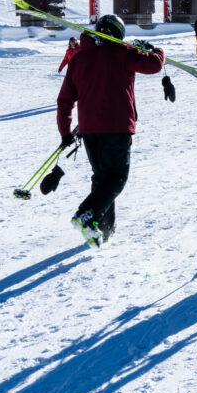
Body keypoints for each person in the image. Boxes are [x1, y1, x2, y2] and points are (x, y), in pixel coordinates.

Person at [56, 14, 165, 246]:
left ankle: (103, 229)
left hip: (89, 132)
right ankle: (86, 214)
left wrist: (65, 132)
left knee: (103, 179)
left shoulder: (78, 60)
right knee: (116, 179)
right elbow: (154, 65)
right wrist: (155, 49)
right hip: (116, 127)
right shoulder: (124, 53)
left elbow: (65, 100)